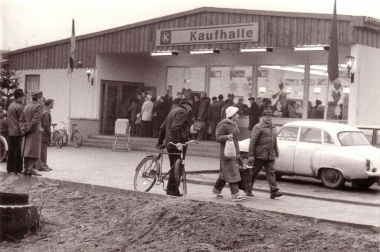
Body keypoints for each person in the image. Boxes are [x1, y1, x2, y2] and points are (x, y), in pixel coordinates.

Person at [157, 98, 193, 196]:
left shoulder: (172, 111)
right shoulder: (183, 112)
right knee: (177, 166)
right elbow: (176, 127)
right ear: (186, 105)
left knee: (173, 166)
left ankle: (170, 189)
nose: (190, 109)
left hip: (169, 143)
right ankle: (173, 190)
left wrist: (160, 142)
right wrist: (177, 142)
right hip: (178, 143)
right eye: (190, 106)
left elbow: (162, 127)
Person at [247, 108, 283, 199]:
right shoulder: (258, 127)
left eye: (270, 116)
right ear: (262, 116)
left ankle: (274, 191)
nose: (268, 118)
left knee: (270, 172)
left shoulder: (273, 127)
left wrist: (276, 150)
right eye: (266, 116)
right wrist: (251, 155)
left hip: (270, 155)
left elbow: (274, 140)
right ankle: (248, 188)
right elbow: (252, 141)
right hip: (259, 154)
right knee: (254, 173)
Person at [212, 106, 245, 202]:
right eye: (237, 114)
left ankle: (216, 189)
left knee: (225, 172)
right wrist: (227, 137)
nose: (238, 115)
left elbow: (236, 139)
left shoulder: (234, 124)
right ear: (232, 115)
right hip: (227, 153)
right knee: (232, 172)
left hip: (233, 152)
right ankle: (235, 194)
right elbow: (218, 138)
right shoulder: (223, 125)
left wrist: (238, 152)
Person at [19, 91, 43, 176]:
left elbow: (21, 119)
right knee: (33, 150)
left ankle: (25, 168)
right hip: (33, 132)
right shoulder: (38, 107)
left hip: (26, 132)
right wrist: (29, 130)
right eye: (41, 98)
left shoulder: (26, 106)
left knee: (26, 149)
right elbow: (35, 121)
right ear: (39, 98)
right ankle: (31, 169)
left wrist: (23, 129)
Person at [6, 88, 25, 174]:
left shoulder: (10, 105)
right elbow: (21, 121)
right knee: (18, 150)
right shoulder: (20, 107)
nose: (23, 99)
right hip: (17, 131)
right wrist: (23, 130)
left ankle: (9, 168)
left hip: (11, 131)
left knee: (11, 150)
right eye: (22, 97)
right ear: (18, 97)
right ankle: (17, 168)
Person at [37, 99, 54, 171]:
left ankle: (43, 164)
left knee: (42, 150)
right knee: (43, 150)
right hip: (44, 134)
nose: (53, 105)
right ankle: (42, 166)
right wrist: (50, 135)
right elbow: (47, 126)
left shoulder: (43, 110)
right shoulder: (46, 113)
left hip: (41, 133)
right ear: (49, 104)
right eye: (53, 103)